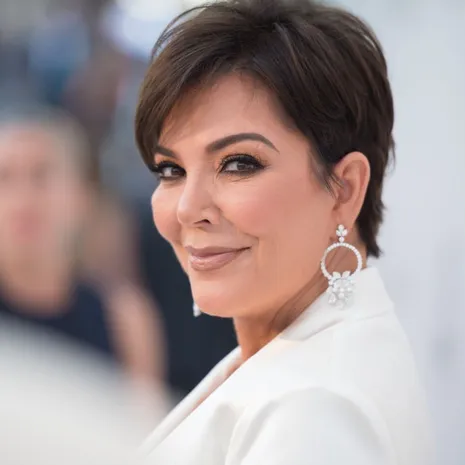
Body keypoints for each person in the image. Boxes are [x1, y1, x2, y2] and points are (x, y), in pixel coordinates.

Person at [134, 0, 432, 464]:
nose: (188, 209)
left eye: (238, 164)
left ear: (344, 189)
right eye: (171, 170)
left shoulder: (313, 407)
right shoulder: (301, 356)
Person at [0, 107, 163, 389]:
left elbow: (144, 412)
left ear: (82, 195)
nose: (23, 200)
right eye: (5, 178)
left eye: (41, 176)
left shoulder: (123, 318)